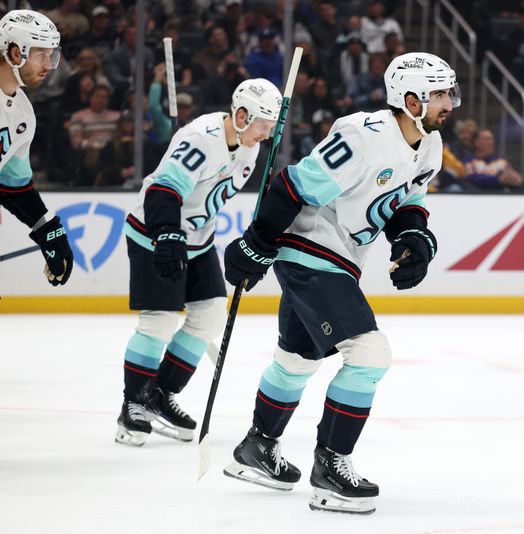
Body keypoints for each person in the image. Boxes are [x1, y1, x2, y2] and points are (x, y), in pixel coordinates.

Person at [221, 52, 459, 515]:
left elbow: (407, 202)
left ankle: (257, 447)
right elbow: (293, 185)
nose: (450, 102)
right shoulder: (364, 135)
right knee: (369, 353)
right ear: (410, 100)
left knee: (297, 358)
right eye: (440, 94)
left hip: (340, 258)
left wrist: (412, 238)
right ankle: (331, 468)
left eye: (451, 92)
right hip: (309, 252)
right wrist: (256, 242)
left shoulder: (428, 143)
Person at [114, 78, 282, 447]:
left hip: (199, 241)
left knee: (209, 316)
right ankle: (133, 403)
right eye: (262, 127)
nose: (266, 136)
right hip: (153, 233)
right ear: (241, 115)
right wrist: (167, 233)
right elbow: (164, 189)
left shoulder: (247, 147)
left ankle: (160, 393)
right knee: (158, 321)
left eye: (271, 129)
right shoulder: (201, 138)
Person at [0, 10, 73, 287]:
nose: (49, 64)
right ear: (16, 53)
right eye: (42, 54)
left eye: (51, 55)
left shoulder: (22, 115)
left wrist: (48, 230)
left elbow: (13, 186)